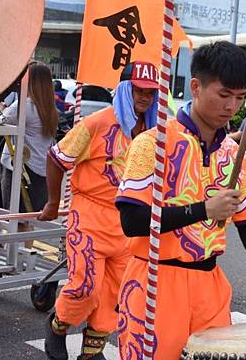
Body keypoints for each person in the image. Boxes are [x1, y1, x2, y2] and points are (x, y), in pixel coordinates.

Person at [115, 41, 246, 360]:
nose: (232, 106)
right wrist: (204, 210)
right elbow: (132, 222)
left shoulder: (235, 154)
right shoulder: (151, 143)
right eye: (224, 95)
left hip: (210, 285)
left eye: (239, 96)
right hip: (155, 280)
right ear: (195, 86)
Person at [38, 61, 159, 360]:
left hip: (128, 222)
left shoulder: (158, 133)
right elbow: (57, 158)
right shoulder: (96, 123)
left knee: (116, 293)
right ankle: (58, 325)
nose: (144, 97)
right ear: (124, 90)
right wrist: (53, 202)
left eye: (150, 93)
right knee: (85, 285)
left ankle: (92, 351)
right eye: (138, 91)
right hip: (90, 214)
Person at [0, 62, 58, 248]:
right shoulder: (49, 107)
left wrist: (1, 106)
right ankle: (24, 260)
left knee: (16, 219)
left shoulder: (26, 106)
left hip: (21, 170)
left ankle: (13, 259)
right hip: (41, 170)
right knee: (28, 220)